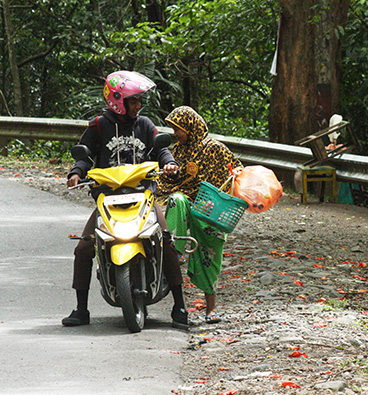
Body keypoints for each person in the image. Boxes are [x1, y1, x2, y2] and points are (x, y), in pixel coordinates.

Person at [63, 70, 189, 329]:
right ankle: (81, 308)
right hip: (107, 198)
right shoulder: (98, 126)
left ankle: (179, 305)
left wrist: (170, 164)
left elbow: (161, 148)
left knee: (166, 240)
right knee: (84, 248)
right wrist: (76, 173)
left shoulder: (145, 125)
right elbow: (84, 156)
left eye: (139, 101)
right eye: (133, 101)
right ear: (117, 100)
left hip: (143, 195)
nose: (138, 106)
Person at [156, 105, 242, 324]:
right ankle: (174, 248)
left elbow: (237, 169)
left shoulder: (214, 148)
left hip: (210, 211)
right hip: (185, 206)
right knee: (175, 199)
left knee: (209, 259)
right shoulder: (177, 151)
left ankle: (211, 309)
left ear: (190, 126)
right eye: (174, 129)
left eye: (178, 129)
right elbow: (167, 180)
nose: (176, 134)